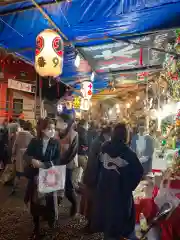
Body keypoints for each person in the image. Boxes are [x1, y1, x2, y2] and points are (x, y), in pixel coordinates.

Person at [91, 123, 143, 240]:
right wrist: (128, 185)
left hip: (104, 190)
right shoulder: (128, 153)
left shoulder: (104, 148)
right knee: (120, 224)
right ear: (126, 136)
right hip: (121, 193)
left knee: (107, 221)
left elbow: (98, 166)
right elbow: (139, 171)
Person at [23, 118, 60, 239]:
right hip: (36, 176)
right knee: (35, 202)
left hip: (49, 176)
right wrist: (32, 160)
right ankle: (36, 227)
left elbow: (58, 160)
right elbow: (26, 155)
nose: (52, 131)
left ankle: (51, 224)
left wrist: (45, 165)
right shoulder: (35, 141)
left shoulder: (55, 143)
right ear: (43, 129)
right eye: (49, 128)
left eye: (54, 128)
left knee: (50, 202)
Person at [82, 126, 112, 231]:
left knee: (92, 202)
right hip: (95, 178)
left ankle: (91, 224)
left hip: (92, 176)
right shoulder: (100, 144)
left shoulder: (98, 141)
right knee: (94, 203)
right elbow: (100, 162)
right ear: (106, 135)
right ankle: (92, 225)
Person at [56, 110, 78, 217]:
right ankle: (54, 210)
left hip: (67, 166)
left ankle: (74, 205)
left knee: (68, 188)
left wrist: (61, 163)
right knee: (55, 187)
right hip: (56, 165)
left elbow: (72, 152)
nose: (57, 123)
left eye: (60, 121)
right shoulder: (55, 134)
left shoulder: (74, 135)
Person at [11, 121, 33, 194]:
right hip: (26, 158)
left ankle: (14, 188)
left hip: (18, 157)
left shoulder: (18, 134)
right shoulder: (31, 136)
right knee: (27, 173)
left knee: (17, 174)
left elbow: (14, 146)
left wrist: (13, 155)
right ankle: (26, 190)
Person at [76, 119, 88, 186]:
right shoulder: (83, 131)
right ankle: (83, 184)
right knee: (87, 171)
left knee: (76, 171)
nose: (88, 126)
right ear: (84, 124)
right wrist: (85, 151)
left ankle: (76, 185)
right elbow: (85, 144)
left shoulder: (76, 130)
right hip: (81, 155)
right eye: (87, 124)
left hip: (75, 154)